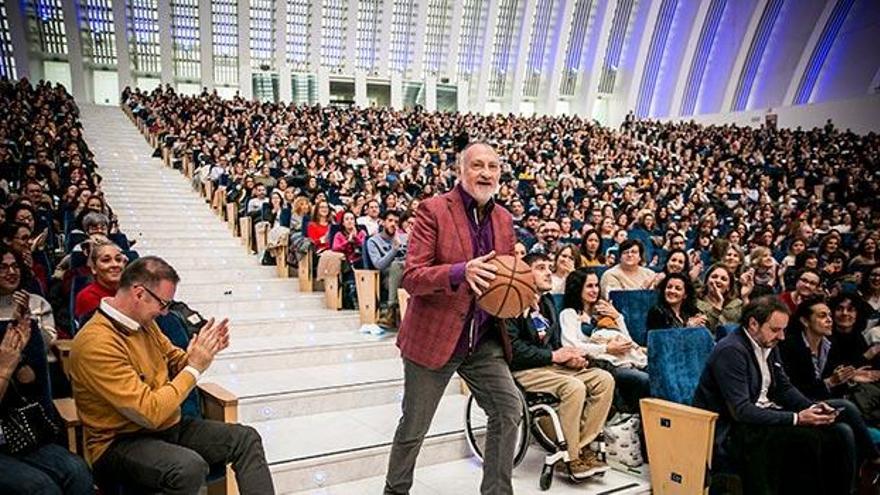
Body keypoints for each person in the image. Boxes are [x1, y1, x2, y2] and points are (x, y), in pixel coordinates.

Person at [69, 256, 275, 494]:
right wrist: (194, 367)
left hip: (167, 427)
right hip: (119, 441)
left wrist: (203, 351)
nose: (165, 312)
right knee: (187, 467)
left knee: (245, 438)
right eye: (163, 304)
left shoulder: (144, 322)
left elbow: (175, 360)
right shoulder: (96, 343)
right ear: (139, 293)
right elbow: (150, 412)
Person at [385, 143, 522, 495]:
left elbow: (507, 277)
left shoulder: (504, 219)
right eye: (477, 165)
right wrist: (461, 271)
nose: (486, 173)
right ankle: (395, 490)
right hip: (435, 336)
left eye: (493, 167)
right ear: (460, 170)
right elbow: (411, 276)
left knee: (508, 409)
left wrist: (524, 287)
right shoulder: (433, 210)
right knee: (414, 426)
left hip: (484, 338)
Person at [693, 296, 880, 495]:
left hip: (762, 414)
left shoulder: (767, 343)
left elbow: (783, 388)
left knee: (841, 430)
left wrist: (811, 408)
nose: (782, 336)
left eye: (783, 329)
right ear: (753, 324)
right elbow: (741, 410)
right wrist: (797, 418)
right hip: (733, 428)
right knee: (810, 437)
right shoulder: (731, 351)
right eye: (775, 329)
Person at [507, 254, 613, 479]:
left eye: (549, 267)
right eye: (541, 268)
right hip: (524, 369)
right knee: (574, 387)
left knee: (604, 379)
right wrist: (555, 355)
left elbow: (554, 343)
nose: (548, 272)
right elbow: (514, 350)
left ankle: (582, 447)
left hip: (550, 365)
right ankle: (571, 457)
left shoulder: (546, 302)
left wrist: (570, 359)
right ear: (525, 273)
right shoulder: (512, 301)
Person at [0, 317, 94, 494]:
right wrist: (4, 370)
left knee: (77, 470)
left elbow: (28, 386)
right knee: (41, 487)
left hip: (13, 435)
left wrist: (19, 356)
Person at [559, 268, 648, 413]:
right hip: (600, 364)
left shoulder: (603, 311)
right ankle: (633, 418)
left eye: (596, 285)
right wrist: (606, 348)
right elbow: (571, 345)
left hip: (625, 358)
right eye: (589, 286)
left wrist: (618, 317)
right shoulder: (569, 313)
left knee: (657, 373)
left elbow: (627, 340)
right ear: (577, 288)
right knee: (643, 380)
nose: (595, 290)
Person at [73, 240, 127, 320]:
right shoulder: (87, 296)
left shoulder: (131, 291)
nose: (115, 264)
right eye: (106, 260)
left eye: (118, 260)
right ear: (94, 268)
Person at [695, 264, 745, 332]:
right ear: (706, 281)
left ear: (728, 287)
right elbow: (708, 330)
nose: (718, 281)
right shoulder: (695, 303)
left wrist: (745, 297)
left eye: (723, 279)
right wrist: (718, 306)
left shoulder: (736, 305)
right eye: (714, 277)